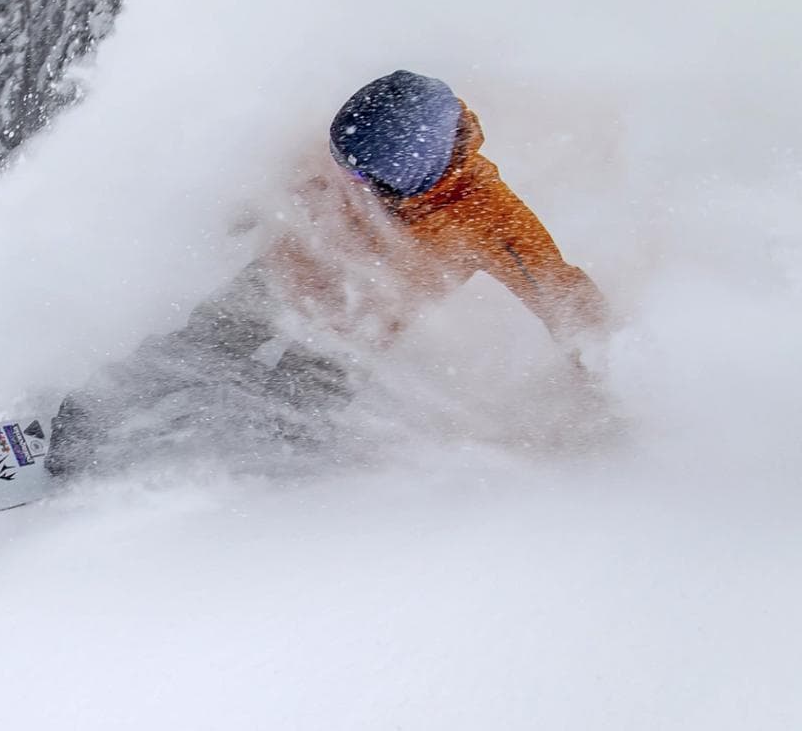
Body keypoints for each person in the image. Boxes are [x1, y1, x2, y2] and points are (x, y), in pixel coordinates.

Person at [44, 69, 612, 479]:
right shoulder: (364, 147)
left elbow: (555, 286)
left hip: (353, 333)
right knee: (200, 343)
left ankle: (239, 486)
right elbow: (291, 180)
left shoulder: (489, 215)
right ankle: (88, 421)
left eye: (365, 180)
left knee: (294, 409)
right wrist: (244, 214)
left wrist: (604, 367)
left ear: (409, 174)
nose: (351, 183)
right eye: (346, 170)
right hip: (280, 279)